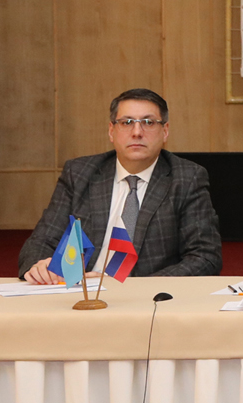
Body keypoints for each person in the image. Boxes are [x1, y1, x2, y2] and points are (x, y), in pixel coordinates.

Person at [18, 88, 222, 282]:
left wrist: (134, 287)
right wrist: (39, 266)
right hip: (82, 290)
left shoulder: (186, 178)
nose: (137, 132)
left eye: (148, 122)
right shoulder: (79, 173)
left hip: (146, 296)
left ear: (165, 131)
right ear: (111, 131)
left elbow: (205, 257)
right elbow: (41, 241)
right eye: (127, 122)